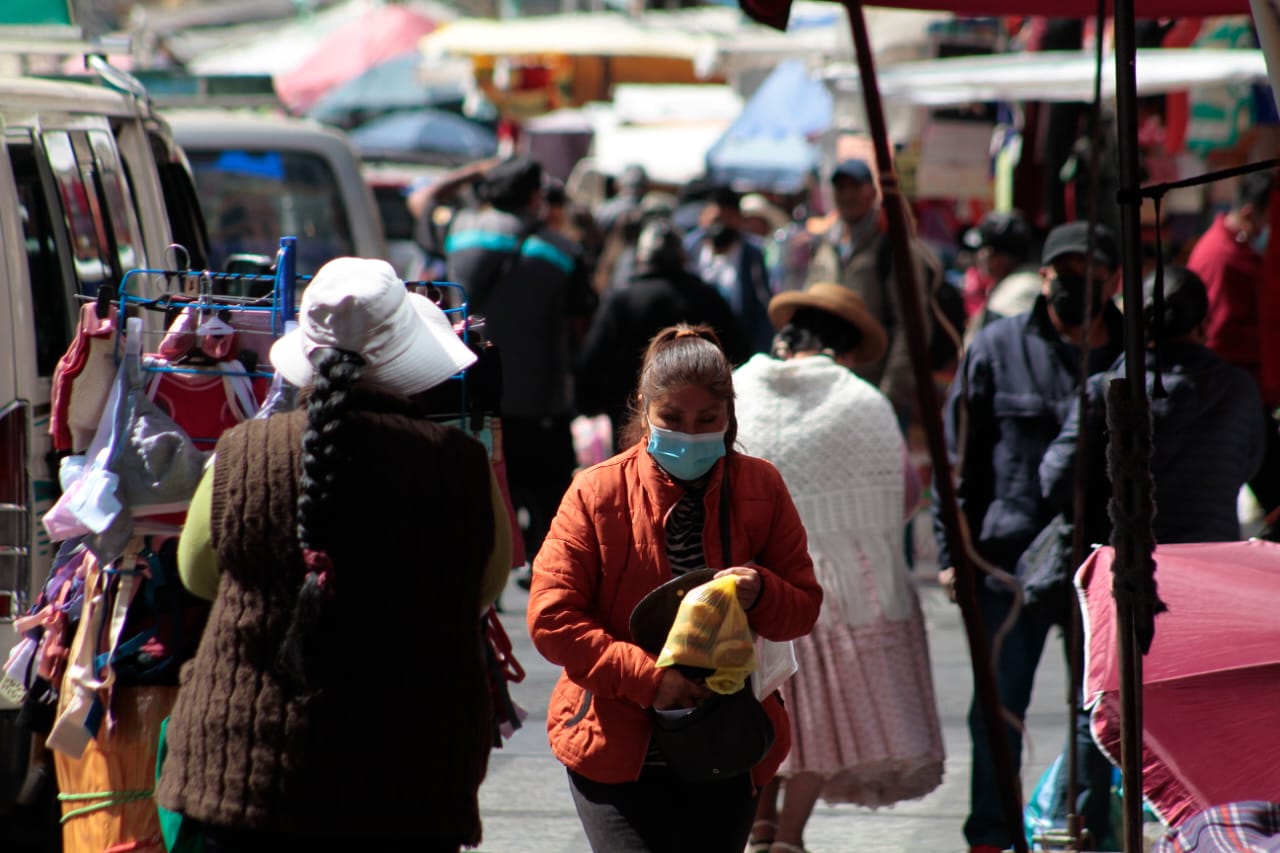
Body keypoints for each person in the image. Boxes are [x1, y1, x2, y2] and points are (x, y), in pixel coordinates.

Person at [155, 258, 512, 852]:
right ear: (406, 354)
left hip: (244, 780)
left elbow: (196, 574)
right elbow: (485, 586)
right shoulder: (460, 466)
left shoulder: (243, 451)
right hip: (406, 779)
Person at [527, 324, 823, 853]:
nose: (690, 435)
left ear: (730, 414)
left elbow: (802, 608)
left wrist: (762, 593)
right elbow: (553, 620)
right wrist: (650, 680)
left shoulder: (762, 486)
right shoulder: (595, 492)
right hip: (613, 744)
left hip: (726, 743)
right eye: (672, 419)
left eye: (707, 420)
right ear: (643, 409)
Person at [934, 221, 1126, 853]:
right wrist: (949, 553)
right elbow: (957, 462)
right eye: (1065, 276)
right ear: (1044, 278)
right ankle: (991, 836)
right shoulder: (995, 347)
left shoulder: (1134, 354)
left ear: (1116, 282)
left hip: (1101, 563)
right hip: (1007, 561)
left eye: (1091, 276)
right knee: (998, 708)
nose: (1076, 288)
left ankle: (1086, 831)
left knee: (1100, 713)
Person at [734, 284, 945, 853]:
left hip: (751, 586)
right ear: (848, 350)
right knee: (820, 724)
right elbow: (902, 495)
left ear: (788, 336)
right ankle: (791, 839)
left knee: (759, 708)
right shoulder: (863, 402)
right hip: (841, 591)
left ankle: (758, 825)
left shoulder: (740, 388)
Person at [1041, 265, 1265, 548]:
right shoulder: (1239, 389)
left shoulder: (1108, 390)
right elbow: (1248, 464)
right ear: (1204, 324)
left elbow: (1056, 480)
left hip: (1128, 567)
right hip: (1210, 561)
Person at [443, 156, 596, 563]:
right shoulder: (562, 251)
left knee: (473, 512)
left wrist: (473, 172)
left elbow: (420, 200)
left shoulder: (457, 232)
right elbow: (581, 324)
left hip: (468, 399)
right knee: (551, 516)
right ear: (535, 197)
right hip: (538, 405)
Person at [576, 219, 751, 446]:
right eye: (671, 417)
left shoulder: (622, 300)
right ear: (683, 258)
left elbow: (592, 363)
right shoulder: (708, 297)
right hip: (705, 435)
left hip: (627, 426)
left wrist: (587, 405)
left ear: (641, 258)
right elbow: (742, 359)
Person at [806, 158, 942, 425]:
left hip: (875, 392)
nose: (846, 195)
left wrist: (889, 396)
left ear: (872, 191)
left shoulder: (893, 247)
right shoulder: (825, 246)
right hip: (826, 393)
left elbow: (912, 326)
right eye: (840, 187)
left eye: (854, 187)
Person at [1185, 169, 1280, 517]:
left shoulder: (1236, 250)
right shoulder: (1222, 257)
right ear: (1252, 214)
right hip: (1235, 395)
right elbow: (1220, 336)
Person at [684, 186, 776, 354]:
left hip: (738, 345)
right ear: (703, 218)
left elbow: (764, 304)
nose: (722, 225)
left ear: (740, 221)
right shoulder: (689, 250)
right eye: (717, 218)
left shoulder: (752, 255)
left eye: (729, 218)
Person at [962, 209, 1041, 340]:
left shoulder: (1016, 292)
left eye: (983, 249)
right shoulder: (1027, 280)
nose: (979, 256)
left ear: (1000, 257)